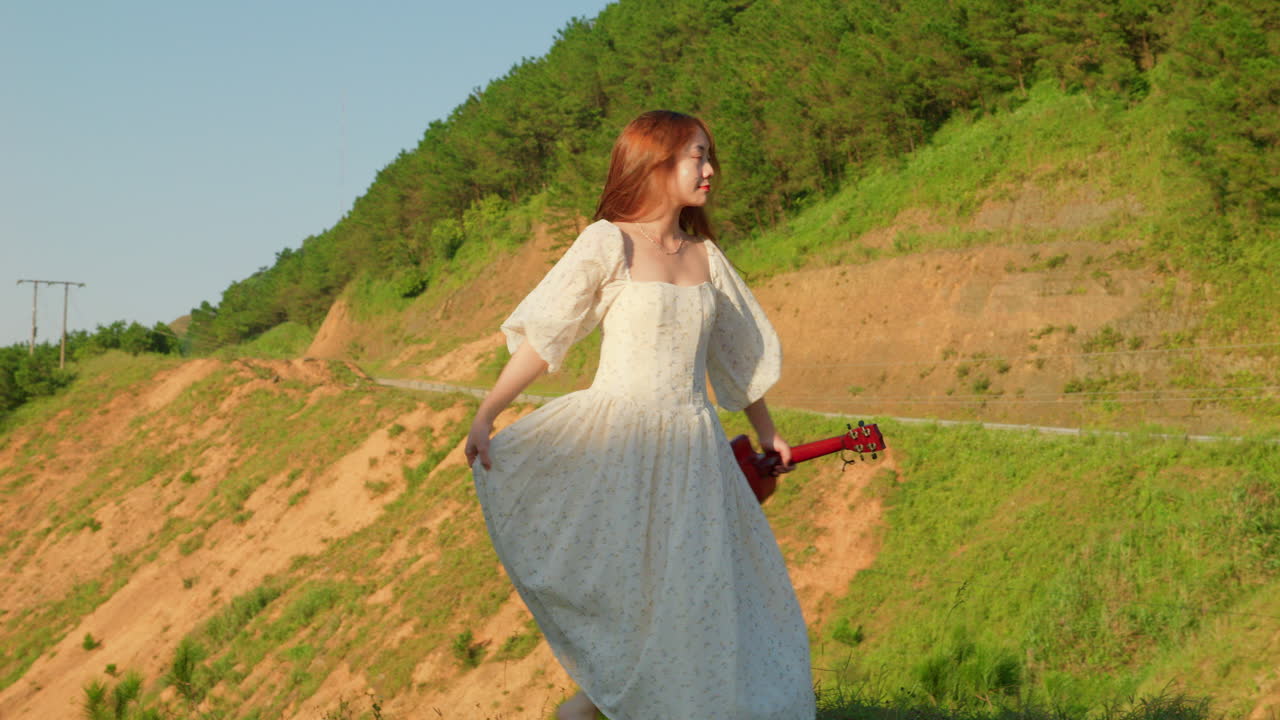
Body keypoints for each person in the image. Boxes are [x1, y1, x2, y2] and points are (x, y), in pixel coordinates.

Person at [465, 110, 816, 720]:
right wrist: (489, 410)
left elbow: (738, 354)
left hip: (696, 453)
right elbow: (546, 339)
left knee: (702, 597)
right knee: (638, 600)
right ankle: (596, 706)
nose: (708, 170)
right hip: (620, 448)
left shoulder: (706, 256)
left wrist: (768, 431)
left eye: (709, 156)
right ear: (655, 164)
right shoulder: (608, 242)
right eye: (695, 157)